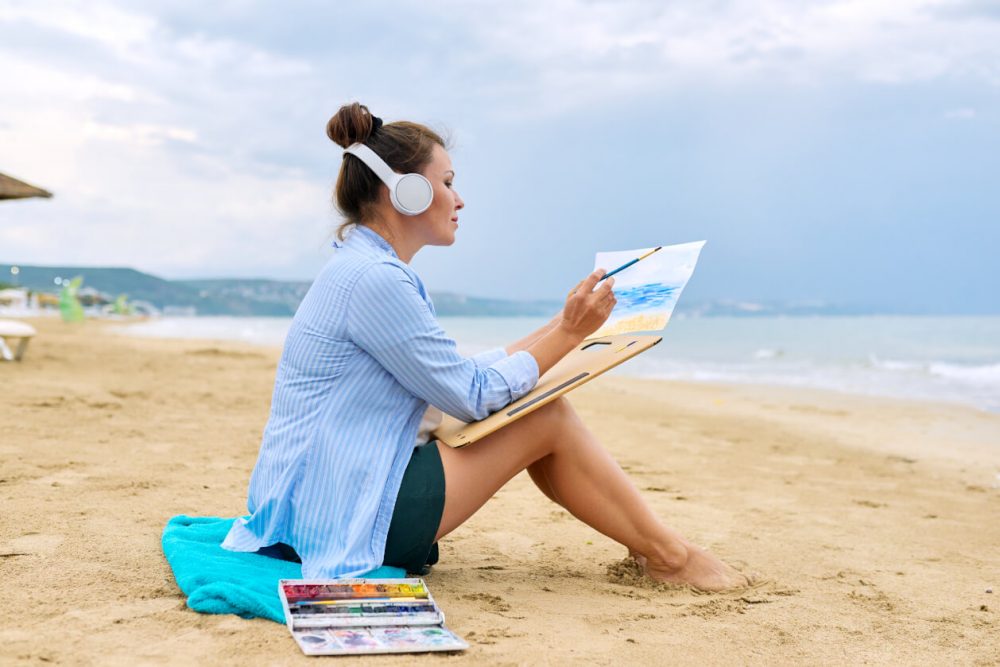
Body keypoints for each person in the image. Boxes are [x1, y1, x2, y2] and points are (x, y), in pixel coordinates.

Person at [222, 102, 748, 591]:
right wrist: (569, 335)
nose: (459, 198)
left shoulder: (362, 267)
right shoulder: (377, 281)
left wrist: (561, 326)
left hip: (316, 502)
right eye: (447, 182)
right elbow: (470, 395)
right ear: (406, 193)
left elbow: (453, 375)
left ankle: (660, 552)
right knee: (548, 417)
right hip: (343, 518)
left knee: (532, 404)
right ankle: (670, 558)